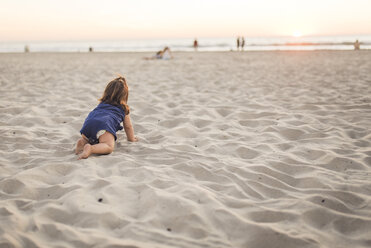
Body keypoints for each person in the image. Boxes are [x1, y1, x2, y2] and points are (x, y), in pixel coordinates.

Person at [75, 76, 138, 159]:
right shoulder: (123, 108)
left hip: (89, 122)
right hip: (104, 125)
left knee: (87, 138)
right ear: (124, 96)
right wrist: (131, 139)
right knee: (108, 146)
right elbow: (128, 126)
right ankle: (91, 148)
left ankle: (82, 142)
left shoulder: (102, 103)